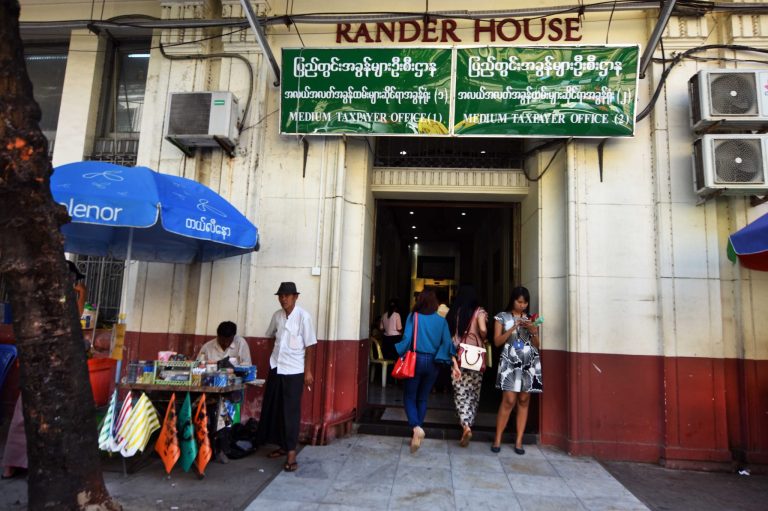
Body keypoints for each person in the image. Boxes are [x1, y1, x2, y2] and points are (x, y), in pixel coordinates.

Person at [2, 260, 88, 479]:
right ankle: (12, 463)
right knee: (25, 414)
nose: (71, 282)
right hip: (40, 362)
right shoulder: (41, 297)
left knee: (54, 416)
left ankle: (41, 463)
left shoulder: (62, 299)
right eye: (69, 278)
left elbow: (73, 324)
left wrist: (81, 297)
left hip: (59, 363)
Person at [256, 282, 317, 472]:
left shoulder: (303, 317)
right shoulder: (277, 316)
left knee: (290, 411)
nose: (284, 299)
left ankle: (291, 451)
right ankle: (282, 446)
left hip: (295, 371)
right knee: (275, 408)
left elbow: (310, 346)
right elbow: (270, 337)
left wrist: (308, 371)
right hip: (276, 368)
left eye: (287, 296)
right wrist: (272, 357)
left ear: (295, 297)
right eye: (281, 296)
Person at [394, 289, 454, 453]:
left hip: (415, 360)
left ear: (419, 300)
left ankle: (415, 427)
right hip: (433, 362)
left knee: (409, 396)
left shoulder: (414, 316)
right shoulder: (441, 320)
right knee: (422, 398)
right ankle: (416, 433)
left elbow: (406, 338)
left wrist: (398, 350)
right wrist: (445, 359)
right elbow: (447, 343)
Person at [491, 286, 542, 455]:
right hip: (510, 361)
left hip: (529, 362)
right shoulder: (502, 317)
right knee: (509, 400)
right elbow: (497, 342)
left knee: (524, 399)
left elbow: (537, 345)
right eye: (519, 301)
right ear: (512, 300)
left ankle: (519, 441)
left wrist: (533, 331)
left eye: (525, 302)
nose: (522, 305)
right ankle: (497, 438)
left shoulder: (531, 319)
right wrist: (512, 328)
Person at [445, 285, 487, 447]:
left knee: (460, 392)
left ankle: (465, 425)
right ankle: (469, 423)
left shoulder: (454, 312)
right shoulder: (479, 312)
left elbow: (448, 335)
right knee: (473, 392)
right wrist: (482, 334)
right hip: (475, 356)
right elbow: (483, 330)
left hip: (458, 356)